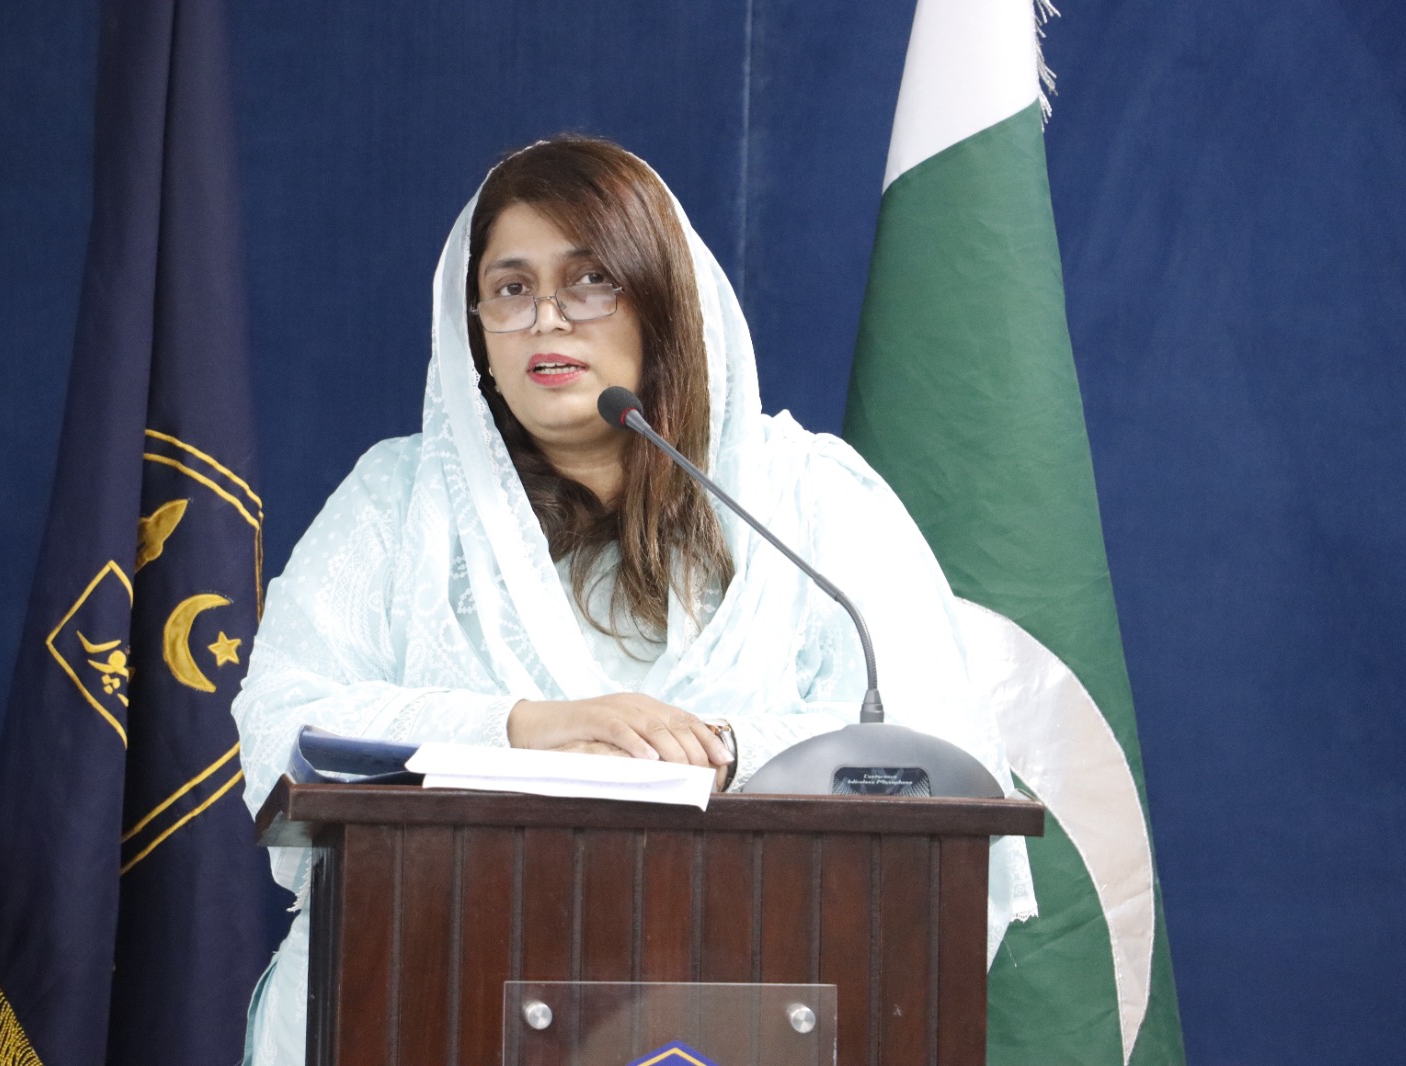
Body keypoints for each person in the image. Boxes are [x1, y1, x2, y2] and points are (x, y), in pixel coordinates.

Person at [232, 135, 1034, 1065]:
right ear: (475, 328)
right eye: (511, 287)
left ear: (662, 299)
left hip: (767, 997)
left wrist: (724, 751)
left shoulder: (809, 500)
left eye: (590, 281)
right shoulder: (399, 503)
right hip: (421, 1000)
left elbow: (938, 758)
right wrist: (526, 729)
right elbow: (285, 726)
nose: (546, 319)